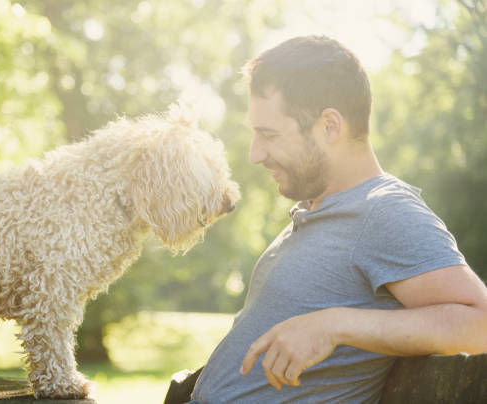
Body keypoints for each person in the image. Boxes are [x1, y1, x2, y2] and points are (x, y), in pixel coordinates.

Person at [185, 35, 487, 403]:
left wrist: (335, 325)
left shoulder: (384, 210)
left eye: (269, 135)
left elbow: (481, 324)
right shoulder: (321, 209)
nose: (255, 154)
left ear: (329, 126)